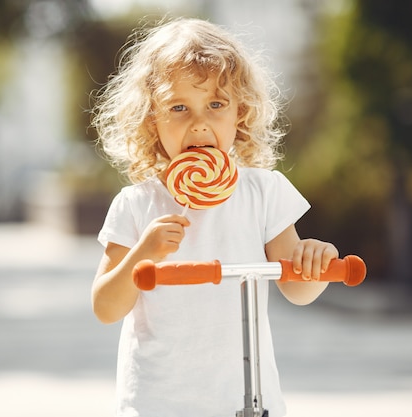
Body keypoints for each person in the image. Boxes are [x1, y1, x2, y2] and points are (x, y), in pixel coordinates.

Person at [90, 17, 338, 417]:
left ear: (240, 112)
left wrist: (316, 265)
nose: (199, 122)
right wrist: (143, 254)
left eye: (216, 104)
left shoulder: (264, 193)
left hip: (246, 397)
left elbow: (298, 289)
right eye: (178, 107)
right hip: (158, 402)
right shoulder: (135, 204)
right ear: (151, 119)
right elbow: (105, 307)